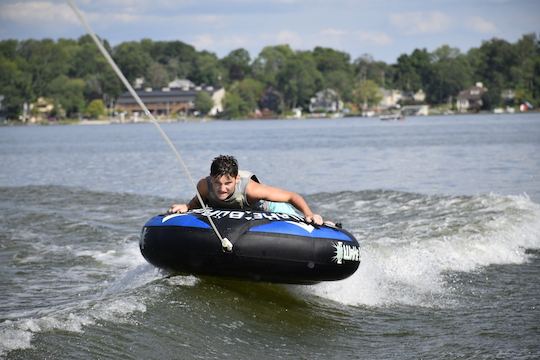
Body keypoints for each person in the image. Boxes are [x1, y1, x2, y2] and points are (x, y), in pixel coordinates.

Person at [168, 155, 324, 225]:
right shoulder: (204, 185)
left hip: (269, 209)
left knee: (307, 220)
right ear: (211, 178)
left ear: (236, 180)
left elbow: (291, 196)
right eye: (217, 183)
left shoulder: (251, 189)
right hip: (232, 214)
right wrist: (187, 207)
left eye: (228, 183)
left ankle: (325, 225)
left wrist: (308, 214)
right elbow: (197, 202)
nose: (222, 188)